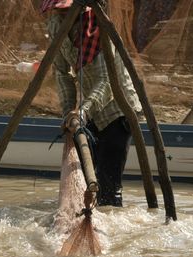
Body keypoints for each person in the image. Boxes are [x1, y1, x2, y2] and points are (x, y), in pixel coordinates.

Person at [41, 0, 142, 207]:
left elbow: (107, 83)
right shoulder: (55, 27)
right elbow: (62, 73)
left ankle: (111, 219)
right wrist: (69, 112)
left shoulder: (98, 30)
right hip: (90, 111)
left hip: (117, 112)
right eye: (59, 11)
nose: (63, 15)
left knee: (108, 187)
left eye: (68, 10)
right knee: (86, 178)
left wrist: (81, 112)